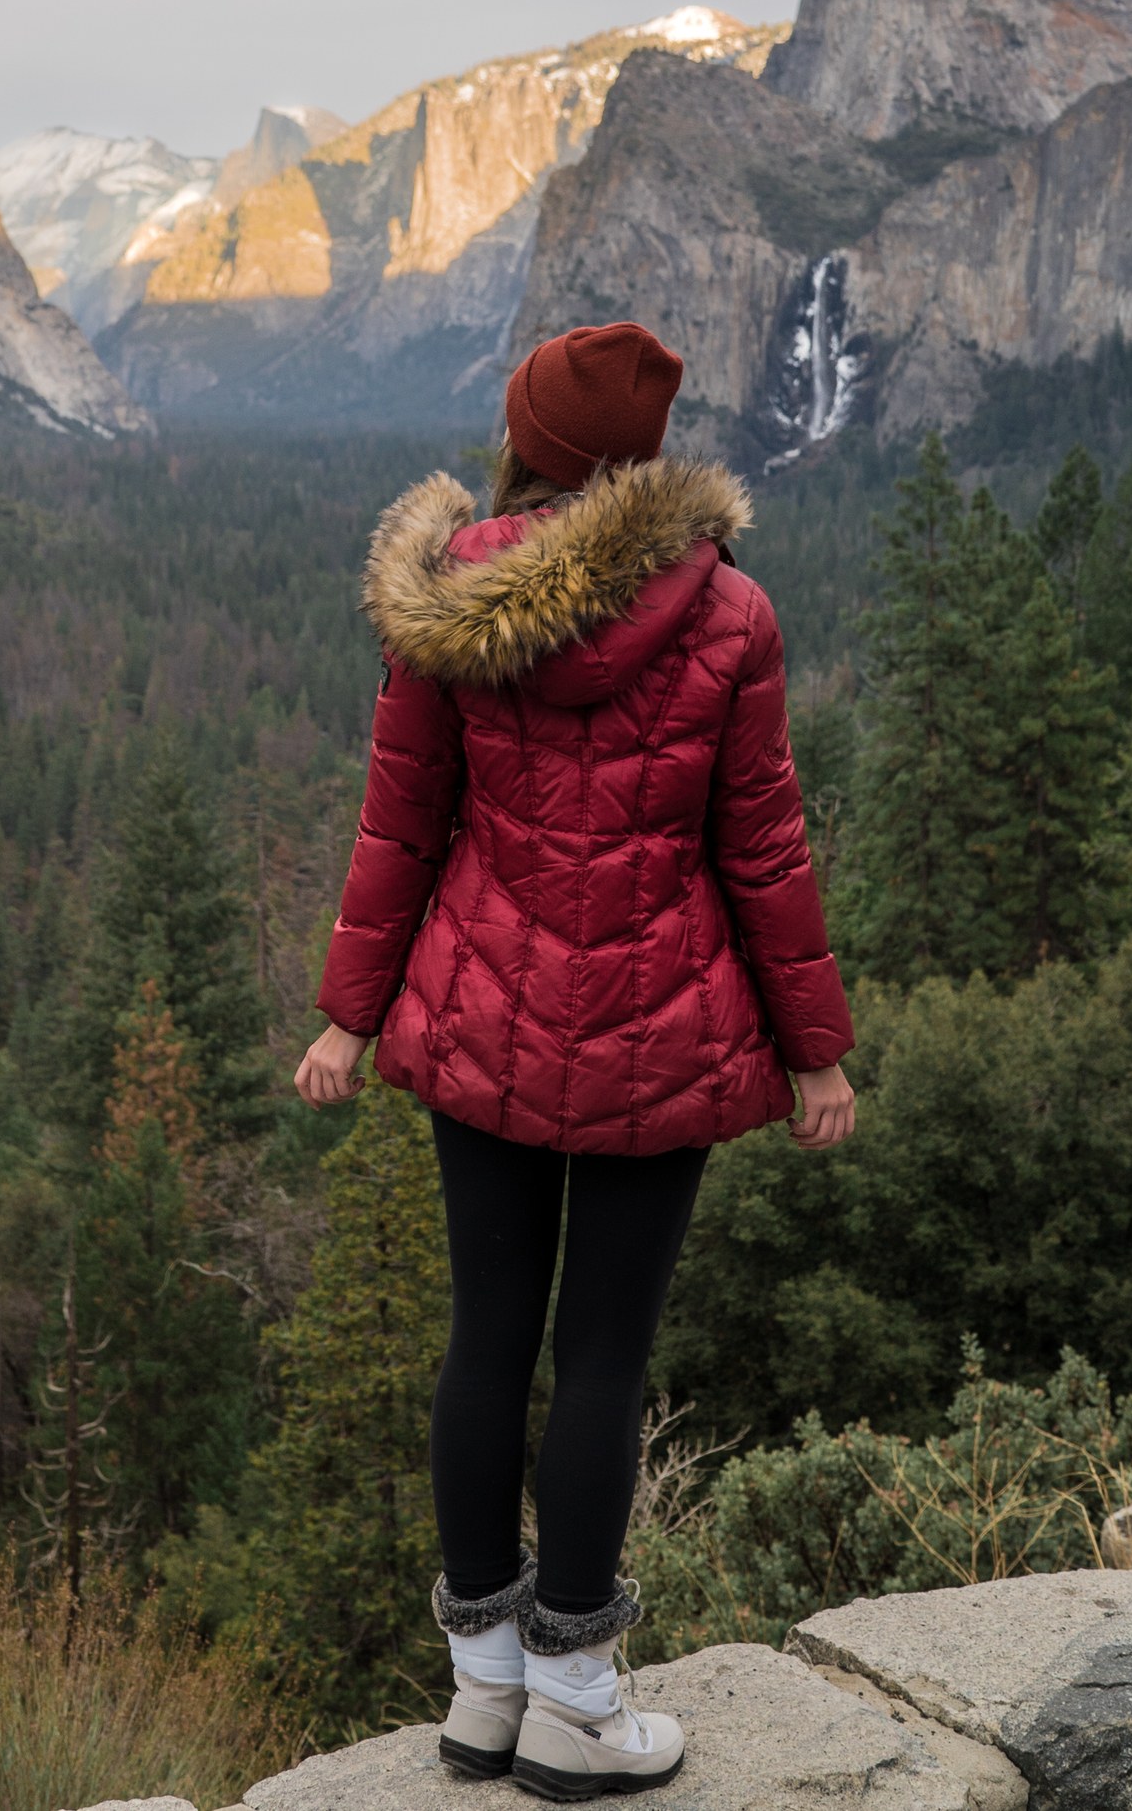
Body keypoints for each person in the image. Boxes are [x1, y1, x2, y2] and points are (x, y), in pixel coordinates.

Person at [294, 322, 856, 1798]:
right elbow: (764, 851)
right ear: (646, 464)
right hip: (656, 1043)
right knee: (599, 1360)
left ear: (525, 442)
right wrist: (816, 1058)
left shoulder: (448, 603)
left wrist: (352, 1018)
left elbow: (399, 826)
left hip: (481, 1017)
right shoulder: (731, 617)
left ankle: (484, 1694)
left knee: (487, 1338)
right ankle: (576, 1703)